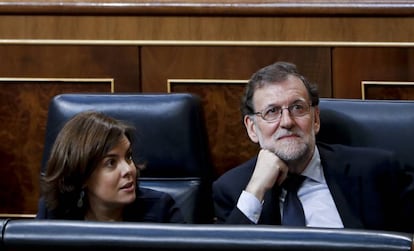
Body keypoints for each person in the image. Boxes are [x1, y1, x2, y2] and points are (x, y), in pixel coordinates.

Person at [212, 61, 414, 232]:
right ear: (252, 128)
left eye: (297, 108)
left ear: (315, 119)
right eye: (272, 111)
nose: (287, 122)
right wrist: (256, 190)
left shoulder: (377, 171)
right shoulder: (232, 190)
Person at [36, 110, 184, 223]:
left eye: (128, 157)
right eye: (111, 163)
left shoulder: (162, 210)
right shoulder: (54, 213)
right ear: (81, 176)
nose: (128, 170)